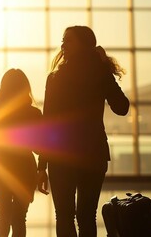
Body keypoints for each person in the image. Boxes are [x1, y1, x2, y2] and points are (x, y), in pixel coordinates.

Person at [36, 26, 130, 237]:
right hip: (93, 154)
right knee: (87, 216)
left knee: (65, 216)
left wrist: (42, 165)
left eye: (68, 40)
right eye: (63, 40)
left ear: (84, 44)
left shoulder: (55, 78)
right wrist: (105, 68)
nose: (63, 45)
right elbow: (122, 107)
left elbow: (48, 122)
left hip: (62, 156)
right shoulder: (100, 73)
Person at [0, 69, 42, 237]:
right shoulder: (34, 114)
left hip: (1, 167)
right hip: (24, 168)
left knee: (3, 215)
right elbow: (40, 148)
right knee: (19, 218)